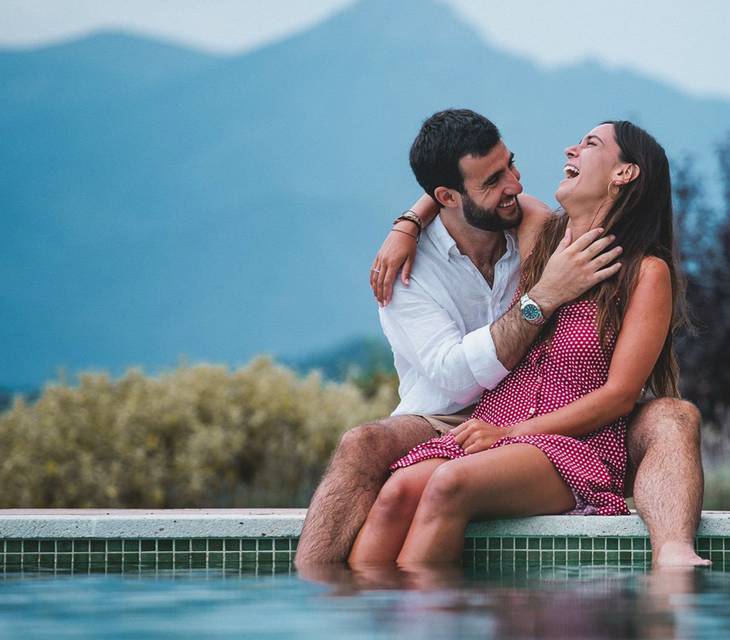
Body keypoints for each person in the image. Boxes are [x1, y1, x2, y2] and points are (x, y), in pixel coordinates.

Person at [294, 110, 708, 571]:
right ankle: (349, 607)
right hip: (498, 420)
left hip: (569, 441)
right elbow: (460, 189)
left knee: (448, 485)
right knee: (397, 492)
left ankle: (426, 620)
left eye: (589, 144)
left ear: (624, 173)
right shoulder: (546, 237)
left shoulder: (644, 272)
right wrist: (408, 223)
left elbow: (620, 394)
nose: (569, 150)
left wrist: (511, 433)